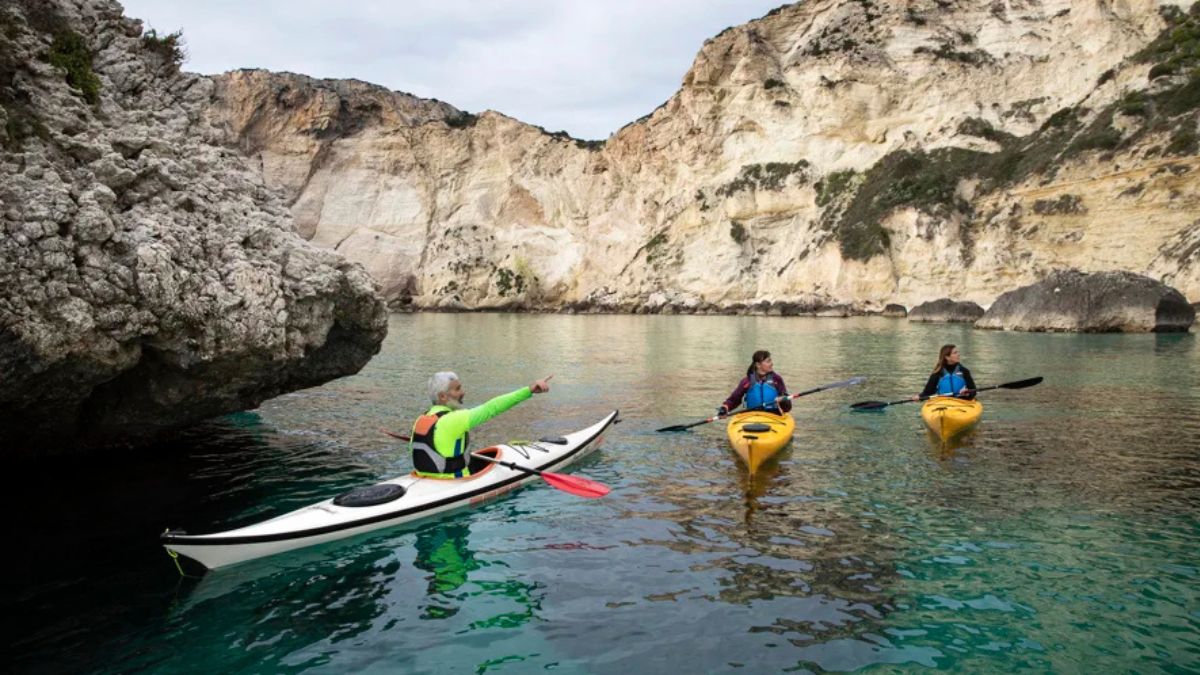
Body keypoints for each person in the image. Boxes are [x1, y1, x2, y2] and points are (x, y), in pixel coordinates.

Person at [410, 372, 553, 478]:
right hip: (453, 483)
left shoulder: (421, 419)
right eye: (457, 389)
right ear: (442, 396)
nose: (463, 392)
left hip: (424, 478)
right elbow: (492, 408)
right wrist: (529, 390)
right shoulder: (454, 419)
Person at [718, 350, 792, 416]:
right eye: (768, 361)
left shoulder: (777, 379)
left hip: (773, 416)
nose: (772, 363)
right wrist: (725, 408)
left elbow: (788, 407)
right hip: (752, 416)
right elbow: (734, 400)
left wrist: (783, 400)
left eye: (771, 361)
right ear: (758, 365)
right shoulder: (747, 381)